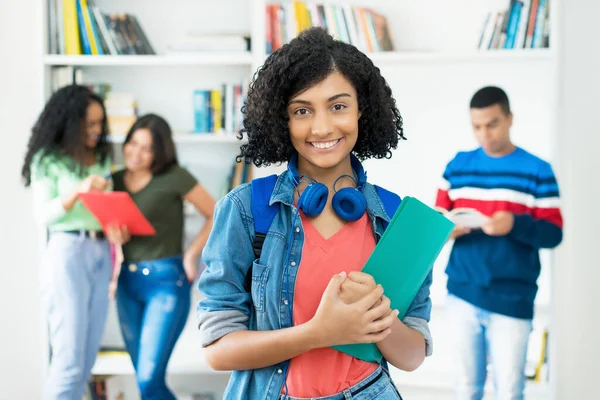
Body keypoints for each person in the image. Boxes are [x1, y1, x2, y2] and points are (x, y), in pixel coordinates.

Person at [197, 27, 433, 400]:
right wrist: (320, 332)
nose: (322, 127)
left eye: (338, 106)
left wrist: (380, 317)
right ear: (282, 119)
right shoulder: (245, 210)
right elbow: (216, 350)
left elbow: (412, 356)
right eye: (302, 110)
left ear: (361, 110)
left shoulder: (396, 218)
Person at [435, 86, 563, 400]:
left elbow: (554, 233)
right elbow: (436, 219)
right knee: (467, 388)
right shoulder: (457, 166)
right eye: (477, 127)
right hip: (463, 293)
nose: (485, 134)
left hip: (512, 298)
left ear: (510, 119)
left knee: (509, 391)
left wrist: (514, 224)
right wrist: (444, 229)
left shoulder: (538, 171)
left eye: (492, 124)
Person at [106, 114, 216, 400]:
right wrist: (114, 234)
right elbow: (107, 226)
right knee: (144, 382)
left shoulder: (174, 177)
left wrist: (192, 255)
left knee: (148, 380)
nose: (135, 152)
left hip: (166, 282)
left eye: (147, 148)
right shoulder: (114, 180)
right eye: (132, 143)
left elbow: (217, 213)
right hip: (126, 285)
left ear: (160, 152)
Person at [21, 84, 113, 400]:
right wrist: (78, 191)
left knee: (86, 361)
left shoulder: (101, 156)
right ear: (71, 122)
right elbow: (43, 216)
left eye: (100, 123)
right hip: (68, 252)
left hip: (103, 250)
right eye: (89, 124)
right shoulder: (48, 159)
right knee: (69, 360)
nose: (96, 130)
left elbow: (104, 210)